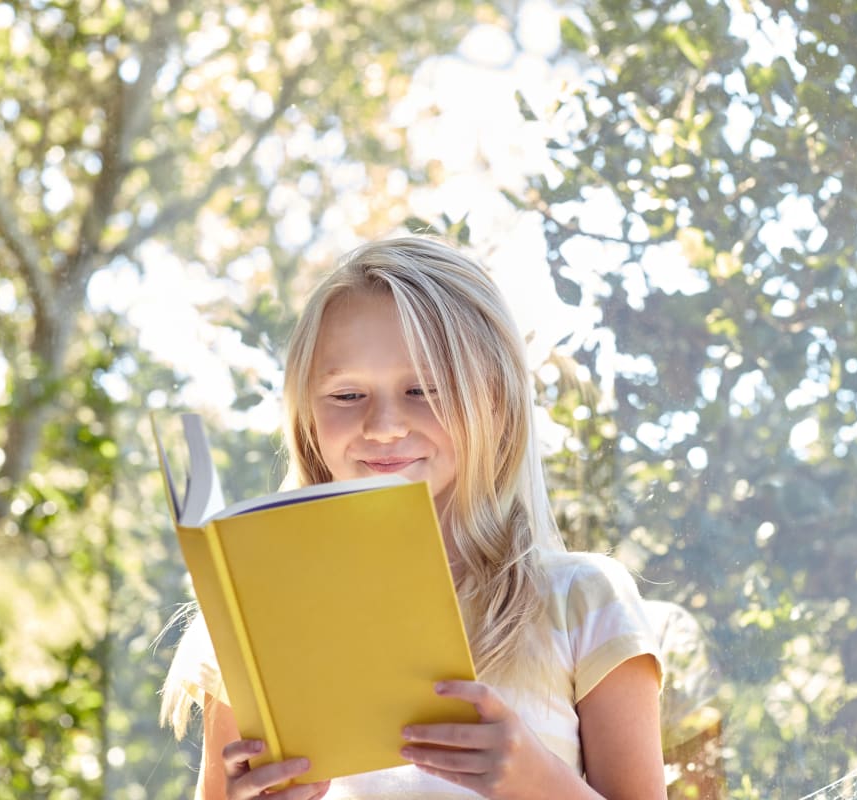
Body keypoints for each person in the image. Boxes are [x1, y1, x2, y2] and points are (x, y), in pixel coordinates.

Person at [160, 236, 666, 800]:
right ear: (306, 417)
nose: (383, 426)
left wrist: (535, 781)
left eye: (423, 389)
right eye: (348, 395)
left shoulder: (583, 601)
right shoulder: (253, 621)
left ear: (495, 401)